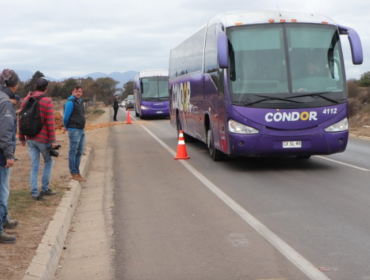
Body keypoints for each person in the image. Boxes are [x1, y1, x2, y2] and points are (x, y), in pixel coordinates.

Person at [19, 77, 58, 201]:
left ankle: (34, 192)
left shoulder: (26, 99)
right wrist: (53, 141)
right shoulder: (47, 101)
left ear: (35, 86)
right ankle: (45, 188)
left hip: (30, 138)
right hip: (43, 138)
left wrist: (21, 137)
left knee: (34, 166)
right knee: (48, 162)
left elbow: (21, 119)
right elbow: (50, 123)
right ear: (46, 88)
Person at [0, 69, 19, 244]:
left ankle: (4, 219)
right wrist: (9, 155)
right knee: (2, 192)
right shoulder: (6, 103)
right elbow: (5, 132)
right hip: (1, 155)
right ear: (15, 85)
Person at [63, 86, 87, 182]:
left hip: (81, 130)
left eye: (80, 92)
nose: (78, 93)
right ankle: (73, 172)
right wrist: (66, 126)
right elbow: (65, 117)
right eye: (76, 91)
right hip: (74, 130)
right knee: (73, 151)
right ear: (72, 92)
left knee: (80, 152)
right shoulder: (70, 102)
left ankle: (77, 172)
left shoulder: (80, 102)